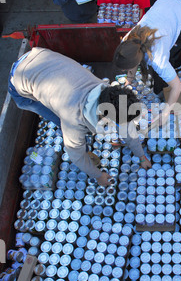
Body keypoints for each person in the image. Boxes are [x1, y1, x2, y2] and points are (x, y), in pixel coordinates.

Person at [8, 47, 151, 186]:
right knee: (54, 116)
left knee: (62, 114)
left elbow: (125, 125)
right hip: (19, 78)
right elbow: (76, 156)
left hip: (41, 55)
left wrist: (141, 156)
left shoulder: (107, 93)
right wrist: (99, 176)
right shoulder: (73, 120)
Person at [113, 0, 181, 125]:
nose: (127, 70)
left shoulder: (158, 58)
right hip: (165, 4)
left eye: (127, 69)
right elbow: (132, 61)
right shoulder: (127, 41)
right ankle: (172, 67)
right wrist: (128, 81)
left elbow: (177, 87)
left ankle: (175, 65)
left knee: (172, 54)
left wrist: (165, 113)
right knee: (166, 59)